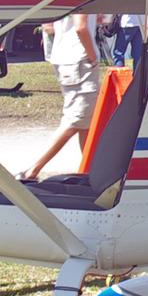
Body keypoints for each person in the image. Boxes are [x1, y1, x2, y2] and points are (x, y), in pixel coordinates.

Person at [21, 13, 101, 179]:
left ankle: (89, 171)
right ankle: (33, 169)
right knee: (75, 120)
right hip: (80, 60)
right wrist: (92, 57)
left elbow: (48, 27)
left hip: (66, 58)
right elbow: (81, 27)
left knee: (85, 121)